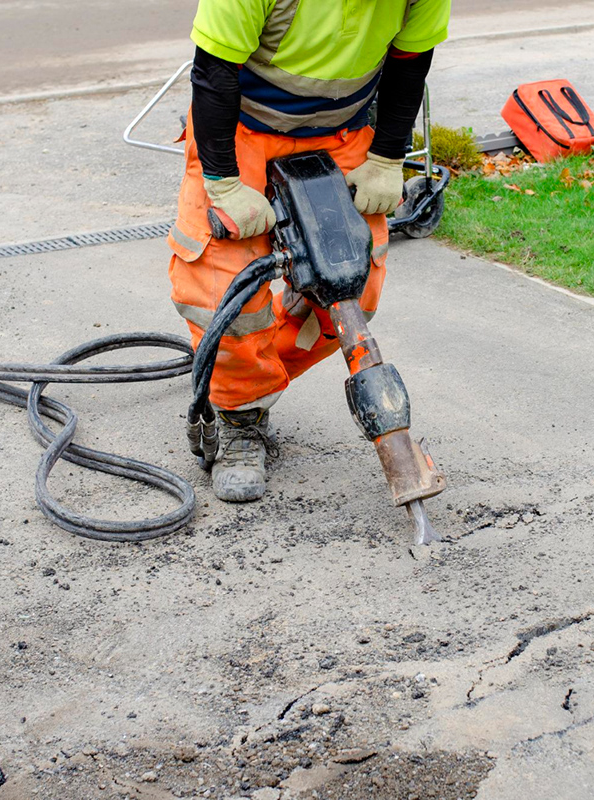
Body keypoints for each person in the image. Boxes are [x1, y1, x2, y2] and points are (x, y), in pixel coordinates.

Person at [168, 0, 450, 503]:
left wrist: (387, 158)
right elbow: (212, 74)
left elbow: (411, 64)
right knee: (221, 288)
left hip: (343, 133)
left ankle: (246, 387)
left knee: (352, 288)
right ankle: (239, 421)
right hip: (241, 131)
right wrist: (224, 183)